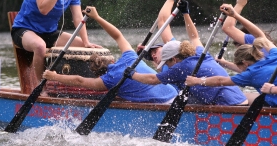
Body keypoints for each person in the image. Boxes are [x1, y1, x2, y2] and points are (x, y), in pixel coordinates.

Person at [43, 6, 178, 103]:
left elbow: (80, 80)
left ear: (98, 74)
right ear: (112, 61)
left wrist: (55, 76)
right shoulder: (129, 57)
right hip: (175, 94)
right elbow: (118, 35)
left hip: (165, 104)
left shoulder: (108, 80)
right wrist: (97, 17)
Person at [11, 0, 101, 96]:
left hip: (49, 33)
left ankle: (77, 89)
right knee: (40, 46)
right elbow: (44, 9)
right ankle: (41, 88)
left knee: (85, 49)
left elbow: (78, 18)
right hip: (24, 30)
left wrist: (86, 42)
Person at [128, 0, 248, 105]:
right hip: (239, 98)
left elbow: (153, 80)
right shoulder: (200, 53)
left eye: (166, 63)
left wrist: (132, 74)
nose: (166, 65)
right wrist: (186, 13)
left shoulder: (178, 68)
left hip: (227, 104)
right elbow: (194, 37)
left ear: (174, 59)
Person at [185, 4, 277, 107]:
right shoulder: (276, 54)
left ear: (245, 63)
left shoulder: (251, 74)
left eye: (239, 66)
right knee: (247, 95)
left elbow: (220, 81)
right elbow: (259, 35)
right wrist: (235, 15)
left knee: (247, 96)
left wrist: (197, 81)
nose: (241, 70)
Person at [216, 0, 275, 72]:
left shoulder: (254, 41)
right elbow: (247, 70)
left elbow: (228, 27)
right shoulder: (262, 52)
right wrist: (224, 63)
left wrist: (239, 5)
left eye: (239, 48)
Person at [139, 0, 179, 71]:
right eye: (152, 55)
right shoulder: (164, 67)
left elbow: (163, 21)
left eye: (155, 51)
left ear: (166, 47)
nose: (153, 56)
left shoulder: (175, 49)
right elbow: (156, 64)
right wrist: (143, 52)